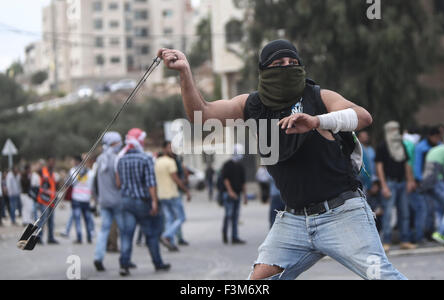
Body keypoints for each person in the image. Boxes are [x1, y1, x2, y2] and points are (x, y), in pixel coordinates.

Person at [158, 40, 406, 280]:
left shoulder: (319, 97)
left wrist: (316, 120)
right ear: (264, 71)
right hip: (294, 221)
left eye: (292, 62)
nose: (287, 67)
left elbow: (363, 117)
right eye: (278, 63)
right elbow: (202, 115)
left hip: (342, 213)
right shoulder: (251, 104)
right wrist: (185, 72)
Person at [117, 128, 170, 276]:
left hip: (126, 201)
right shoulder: (145, 158)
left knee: (127, 235)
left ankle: (124, 264)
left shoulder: (121, 159)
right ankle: (158, 263)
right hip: (142, 202)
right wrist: (154, 202)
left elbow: (119, 183)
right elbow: (150, 183)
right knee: (151, 235)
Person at [376, 121, 417, 252]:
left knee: (404, 212)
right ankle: (386, 241)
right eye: (393, 129)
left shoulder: (402, 146)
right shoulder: (382, 146)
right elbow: (379, 166)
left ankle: (405, 240)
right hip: (390, 182)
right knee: (388, 213)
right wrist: (383, 185)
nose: (395, 132)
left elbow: (407, 164)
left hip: (402, 183)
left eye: (397, 129)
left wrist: (410, 180)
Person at [93, 132, 125, 271]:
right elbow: (119, 183)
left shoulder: (100, 159)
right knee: (124, 231)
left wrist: (96, 198)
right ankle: (125, 259)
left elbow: (94, 182)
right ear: (115, 143)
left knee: (104, 230)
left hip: (104, 201)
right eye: (119, 142)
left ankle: (98, 257)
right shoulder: (116, 159)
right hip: (117, 201)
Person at [155, 141, 191, 252]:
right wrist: (186, 191)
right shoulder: (170, 162)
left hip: (162, 194)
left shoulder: (157, 161)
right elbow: (175, 179)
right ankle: (167, 235)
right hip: (172, 193)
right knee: (181, 217)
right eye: (170, 147)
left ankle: (170, 242)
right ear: (164, 149)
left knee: (169, 219)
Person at [412, 126, 443, 241]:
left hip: (435, 181)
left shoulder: (439, 146)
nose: (436, 139)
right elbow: (417, 164)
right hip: (423, 183)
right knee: (423, 209)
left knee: (433, 208)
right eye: (435, 137)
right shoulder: (421, 147)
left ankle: (430, 233)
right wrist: (418, 179)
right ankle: (420, 235)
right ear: (430, 136)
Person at [420, 130, 444, 245]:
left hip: (426, 182)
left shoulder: (436, 148)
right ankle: (440, 232)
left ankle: (441, 234)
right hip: (436, 181)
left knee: (439, 209)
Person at [221, 144, 247, 245]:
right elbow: (225, 179)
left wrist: (245, 196)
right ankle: (225, 234)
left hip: (238, 194)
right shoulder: (227, 165)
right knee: (228, 215)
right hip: (228, 195)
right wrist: (230, 192)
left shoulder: (240, 166)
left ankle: (234, 237)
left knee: (236, 216)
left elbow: (243, 182)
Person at [36, 158, 59, 244]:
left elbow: (54, 186)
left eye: (53, 163)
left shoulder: (53, 174)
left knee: (51, 220)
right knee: (43, 220)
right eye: (51, 162)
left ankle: (50, 238)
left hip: (51, 201)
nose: (52, 164)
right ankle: (38, 237)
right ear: (48, 163)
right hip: (43, 200)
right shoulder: (43, 171)